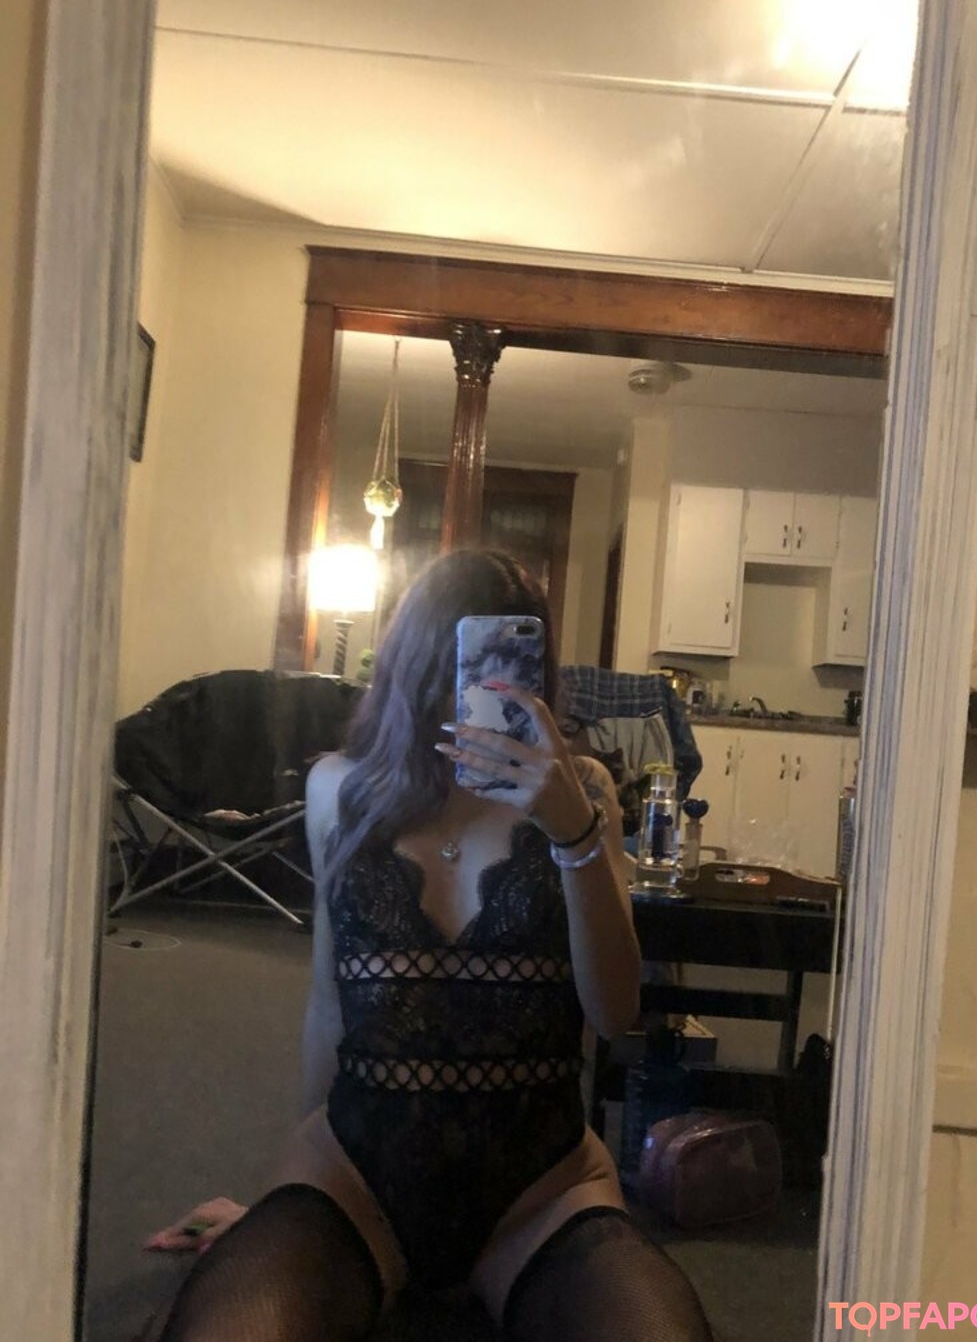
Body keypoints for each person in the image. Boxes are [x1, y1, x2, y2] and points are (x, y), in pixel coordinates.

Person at [145, 549, 714, 1341]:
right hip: (353, 1179)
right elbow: (328, 1006)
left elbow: (615, 1013)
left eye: (513, 659)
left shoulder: (581, 790)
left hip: (542, 1193)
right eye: (465, 658)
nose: (482, 685)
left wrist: (574, 833)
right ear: (417, 661)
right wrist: (278, 1207)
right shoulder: (338, 788)